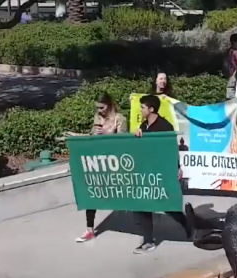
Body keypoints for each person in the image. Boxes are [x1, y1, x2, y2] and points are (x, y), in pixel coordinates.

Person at [133, 95, 190, 253]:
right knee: (142, 204)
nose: (140, 110)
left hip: (162, 169)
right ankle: (148, 241)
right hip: (147, 171)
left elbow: (172, 148)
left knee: (166, 204)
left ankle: (187, 224)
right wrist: (137, 135)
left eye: (142, 107)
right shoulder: (144, 125)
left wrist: (177, 167)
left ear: (151, 109)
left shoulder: (165, 126)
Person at [72, 93, 128, 243]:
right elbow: (93, 137)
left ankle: (139, 219)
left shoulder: (120, 119)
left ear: (109, 105)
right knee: (92, 192)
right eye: (97, 108)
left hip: (115, 163)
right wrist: (94, 134)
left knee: (125, 192)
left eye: (102, 107)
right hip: (98, 161)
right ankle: (90, 229)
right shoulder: (98, 118)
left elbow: (124, 143)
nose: (99, 111)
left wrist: (107, 134)